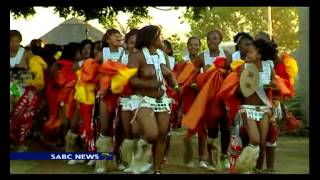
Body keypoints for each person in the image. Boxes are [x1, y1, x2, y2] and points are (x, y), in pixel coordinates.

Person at [127, 25, 180, 174]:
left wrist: (176, 88)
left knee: (163, 134)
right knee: (151, 133)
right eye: (159, 36)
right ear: (150, 39)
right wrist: (149, 83)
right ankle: (140, 158)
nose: (161, 38)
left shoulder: (162, 55)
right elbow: (130, 81)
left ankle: (156, 170)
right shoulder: (137, 55)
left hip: (162, 99)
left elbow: (168, 75)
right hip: (142, 99)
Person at [182, 29, 231, 171]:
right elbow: (191, 73)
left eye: (215, 38)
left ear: (220, 40)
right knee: (212, 129)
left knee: (226, 128)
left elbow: (233, 74)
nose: (212, 41)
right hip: (209, 99)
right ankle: (211, 158)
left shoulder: (226, 55)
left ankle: (223, 156)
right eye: (209, 39)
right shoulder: (202, 56)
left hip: (223, 98)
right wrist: (193, 84)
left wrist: (221, 72)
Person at [235, 39, 279, 173]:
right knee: (254, 140)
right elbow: (240, 90)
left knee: (262, 144)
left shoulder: (268, 66)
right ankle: (243, 166)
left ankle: (257, 170)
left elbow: (275, 84)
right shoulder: (245, 67)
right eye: (247, 52)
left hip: (264, 110)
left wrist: (266, 84)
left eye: (250, 52)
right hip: (248, 109)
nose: (247, 55)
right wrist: (249, 85)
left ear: (259, 55)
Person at [95, 28, 125, 173]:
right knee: (105, 128)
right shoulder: (101, 54)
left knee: (120, 128)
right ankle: (102, 161)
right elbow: (93, 72)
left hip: (122, 96)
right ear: (107, 40)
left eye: (119, 35)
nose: (118, 37)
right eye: (114, 36)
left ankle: (120, 158)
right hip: (106, 96)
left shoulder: (126, 53)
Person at [43, 42, 81, 150]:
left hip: (59, 95)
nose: (81, 54)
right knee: (62, 119)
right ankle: (57, 140)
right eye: (79, 52)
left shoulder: (59, 63)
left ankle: (57, 140)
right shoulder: (65, 64)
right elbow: (60, 81)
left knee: (60, 118)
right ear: (73, 53)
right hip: (62, 96)